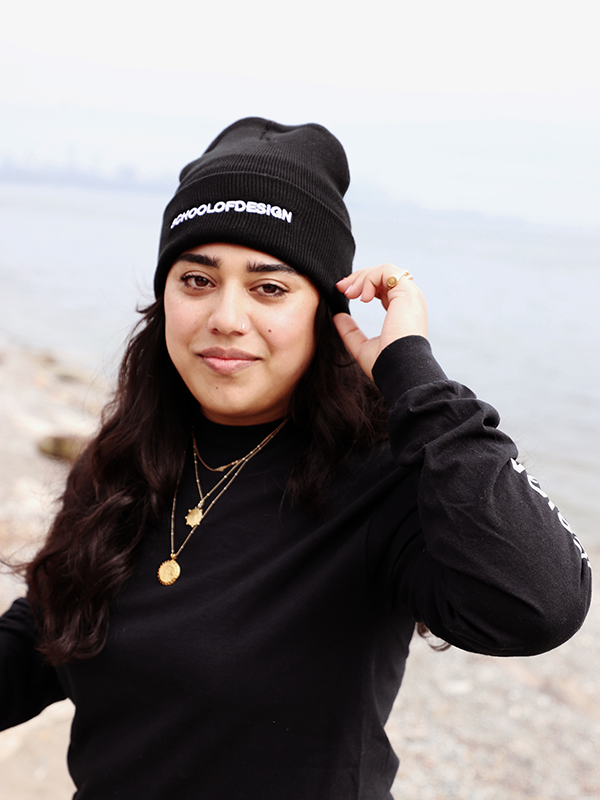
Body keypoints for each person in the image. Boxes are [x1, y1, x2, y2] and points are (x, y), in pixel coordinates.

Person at [0, 117, 592, 799]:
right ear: (164, 300)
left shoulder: (385, 483)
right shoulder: (127, 456)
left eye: (269, 287)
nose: (225, 316)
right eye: (196, 279)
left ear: (325, 311)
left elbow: (542, 604)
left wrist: (413, 375)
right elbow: (47, 632)